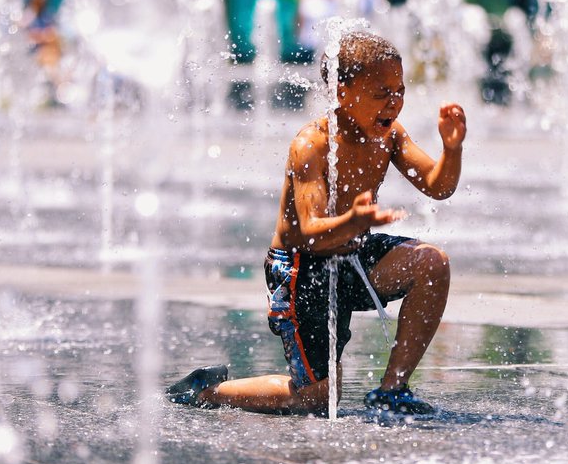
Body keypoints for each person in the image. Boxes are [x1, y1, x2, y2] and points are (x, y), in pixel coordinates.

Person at [167, 31, 467, 415]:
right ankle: (207, 391)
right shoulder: (313, 144)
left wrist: (452, 149)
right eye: (381, 93)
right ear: (341, 92)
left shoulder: (389, 136)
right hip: (301, 270)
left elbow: (437, 186)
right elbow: (309, 230)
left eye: (400, 90)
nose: (394, 103)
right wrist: (353, 219)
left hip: (352, 258)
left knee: (432, 263)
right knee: (317, 400)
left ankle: (392, 390)